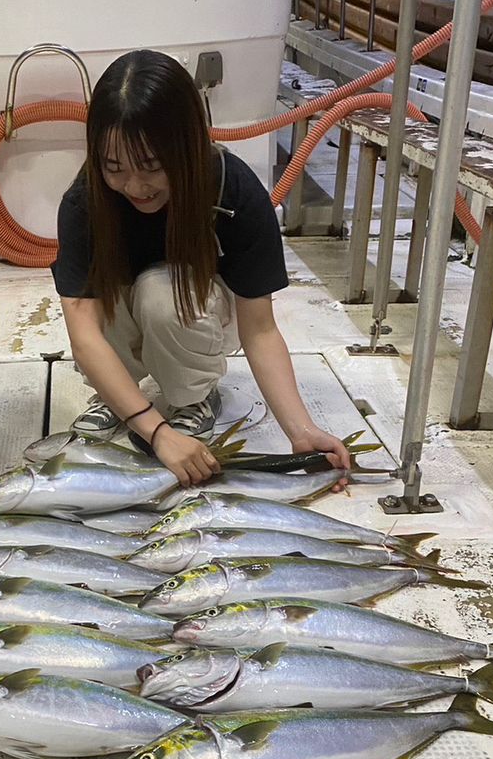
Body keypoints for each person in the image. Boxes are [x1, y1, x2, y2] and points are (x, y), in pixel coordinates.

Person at [51, 49, 352, 487]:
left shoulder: (234, 191)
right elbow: (84, 335)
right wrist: (155, 432)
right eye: (113, 167)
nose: (134, 186)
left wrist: (300, 430)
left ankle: (192, 396)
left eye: (152, 166)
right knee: (101, 298)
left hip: (192, 315)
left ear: (188, 145)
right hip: (121, 324)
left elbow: (260, 329)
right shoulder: (85, 203)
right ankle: (118, 397)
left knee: (161, 294)